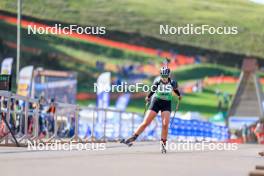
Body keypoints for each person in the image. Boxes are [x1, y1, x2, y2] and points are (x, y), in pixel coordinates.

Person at [122, 66, 182, 153]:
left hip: (166, 103)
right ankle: (133, 137)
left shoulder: (173, 83)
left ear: (169, 75)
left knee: (165, 124)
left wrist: (179, 95)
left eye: (166, 76)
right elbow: (152, 91)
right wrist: (148, 97)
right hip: (156, 102)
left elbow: (176, 90)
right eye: (163, 76)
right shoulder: (157, 82)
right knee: (146, 122)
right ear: (161, 75)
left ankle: (163, 144)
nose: (164, 78)